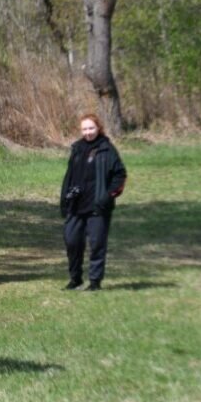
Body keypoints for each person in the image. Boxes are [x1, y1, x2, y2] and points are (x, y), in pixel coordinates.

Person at [60, 113, 127, 291]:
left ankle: (95, 282)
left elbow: (120, 175)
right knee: (72, 241)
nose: (88, 132)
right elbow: (70, 176)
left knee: (97, 244)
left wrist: (107, 196)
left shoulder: (107, 149)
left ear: (98, 128)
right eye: (85, 129)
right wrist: (65, 198)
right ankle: (76, 279)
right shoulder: (77, 148)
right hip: (76, 205)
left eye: (91, 128)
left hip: (98, 206)